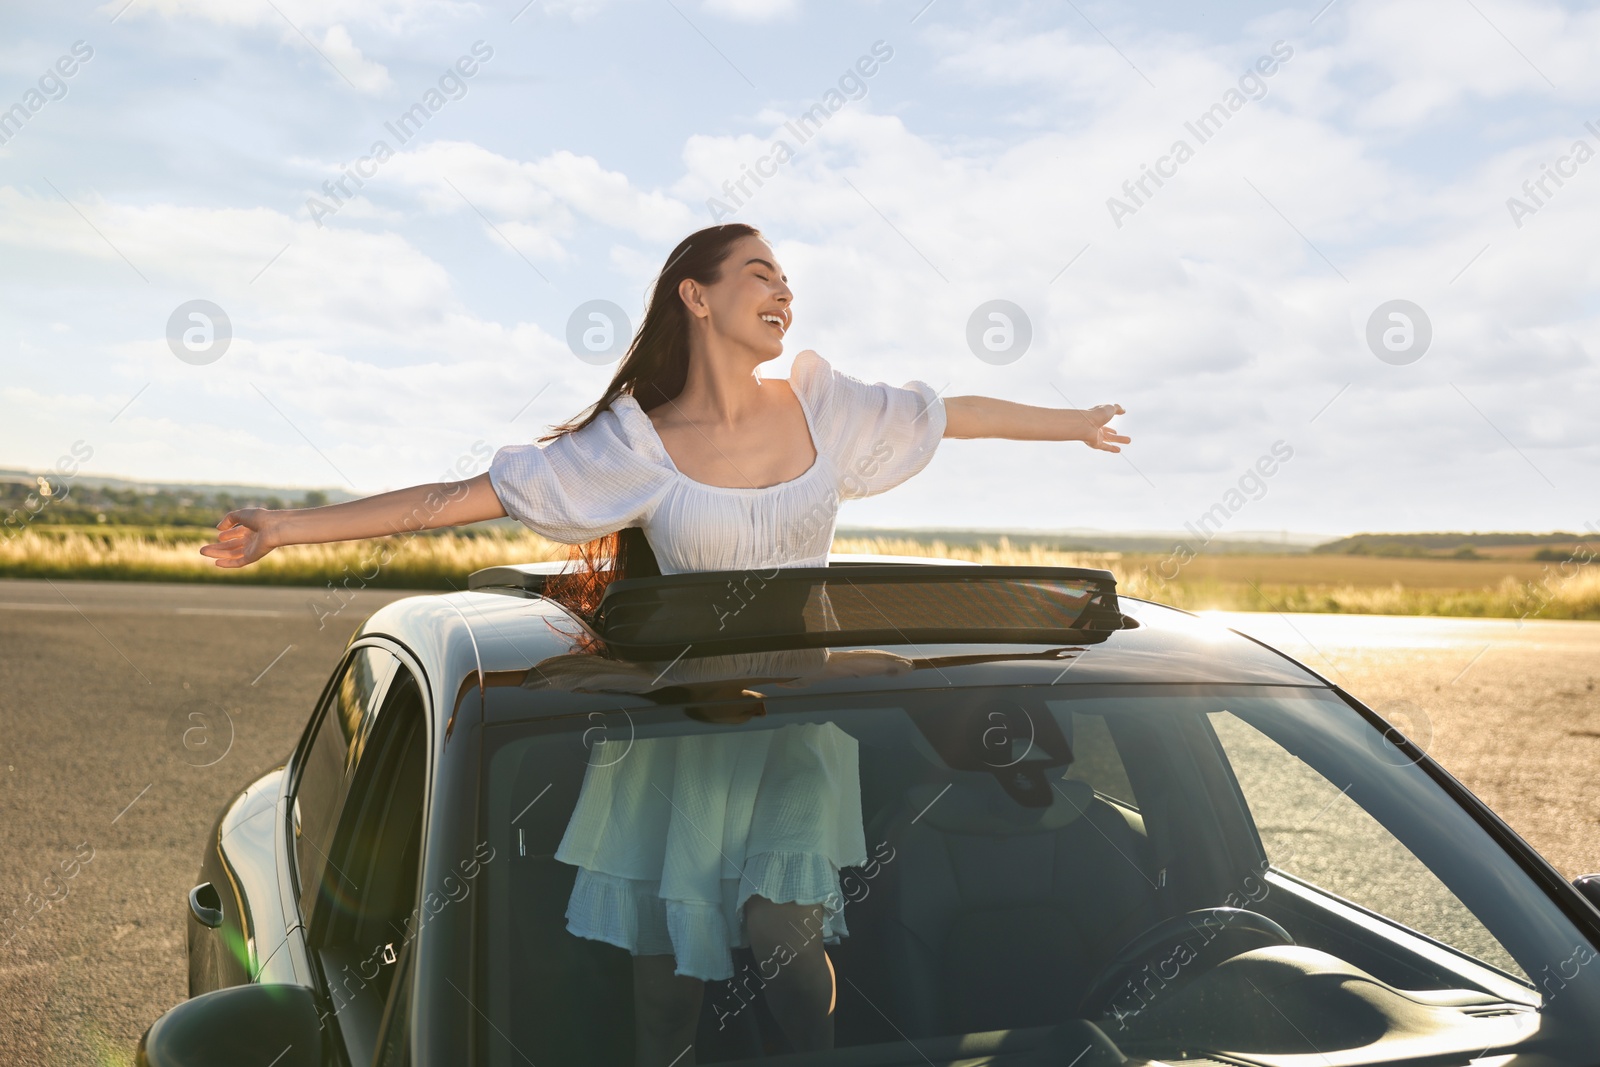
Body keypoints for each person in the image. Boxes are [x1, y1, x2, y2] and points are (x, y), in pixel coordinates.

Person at [200, 222, 1130, 1064]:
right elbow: (458, 499)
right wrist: (285, 526)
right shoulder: (634, 444)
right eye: (761, 273)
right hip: (682, 740)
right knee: (666, 995)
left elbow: (947, 411)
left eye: (788, 280)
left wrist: (1074, 424)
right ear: (697, 294)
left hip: (792, 736)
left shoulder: (821, 403)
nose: (785, 292)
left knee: (790, 956)